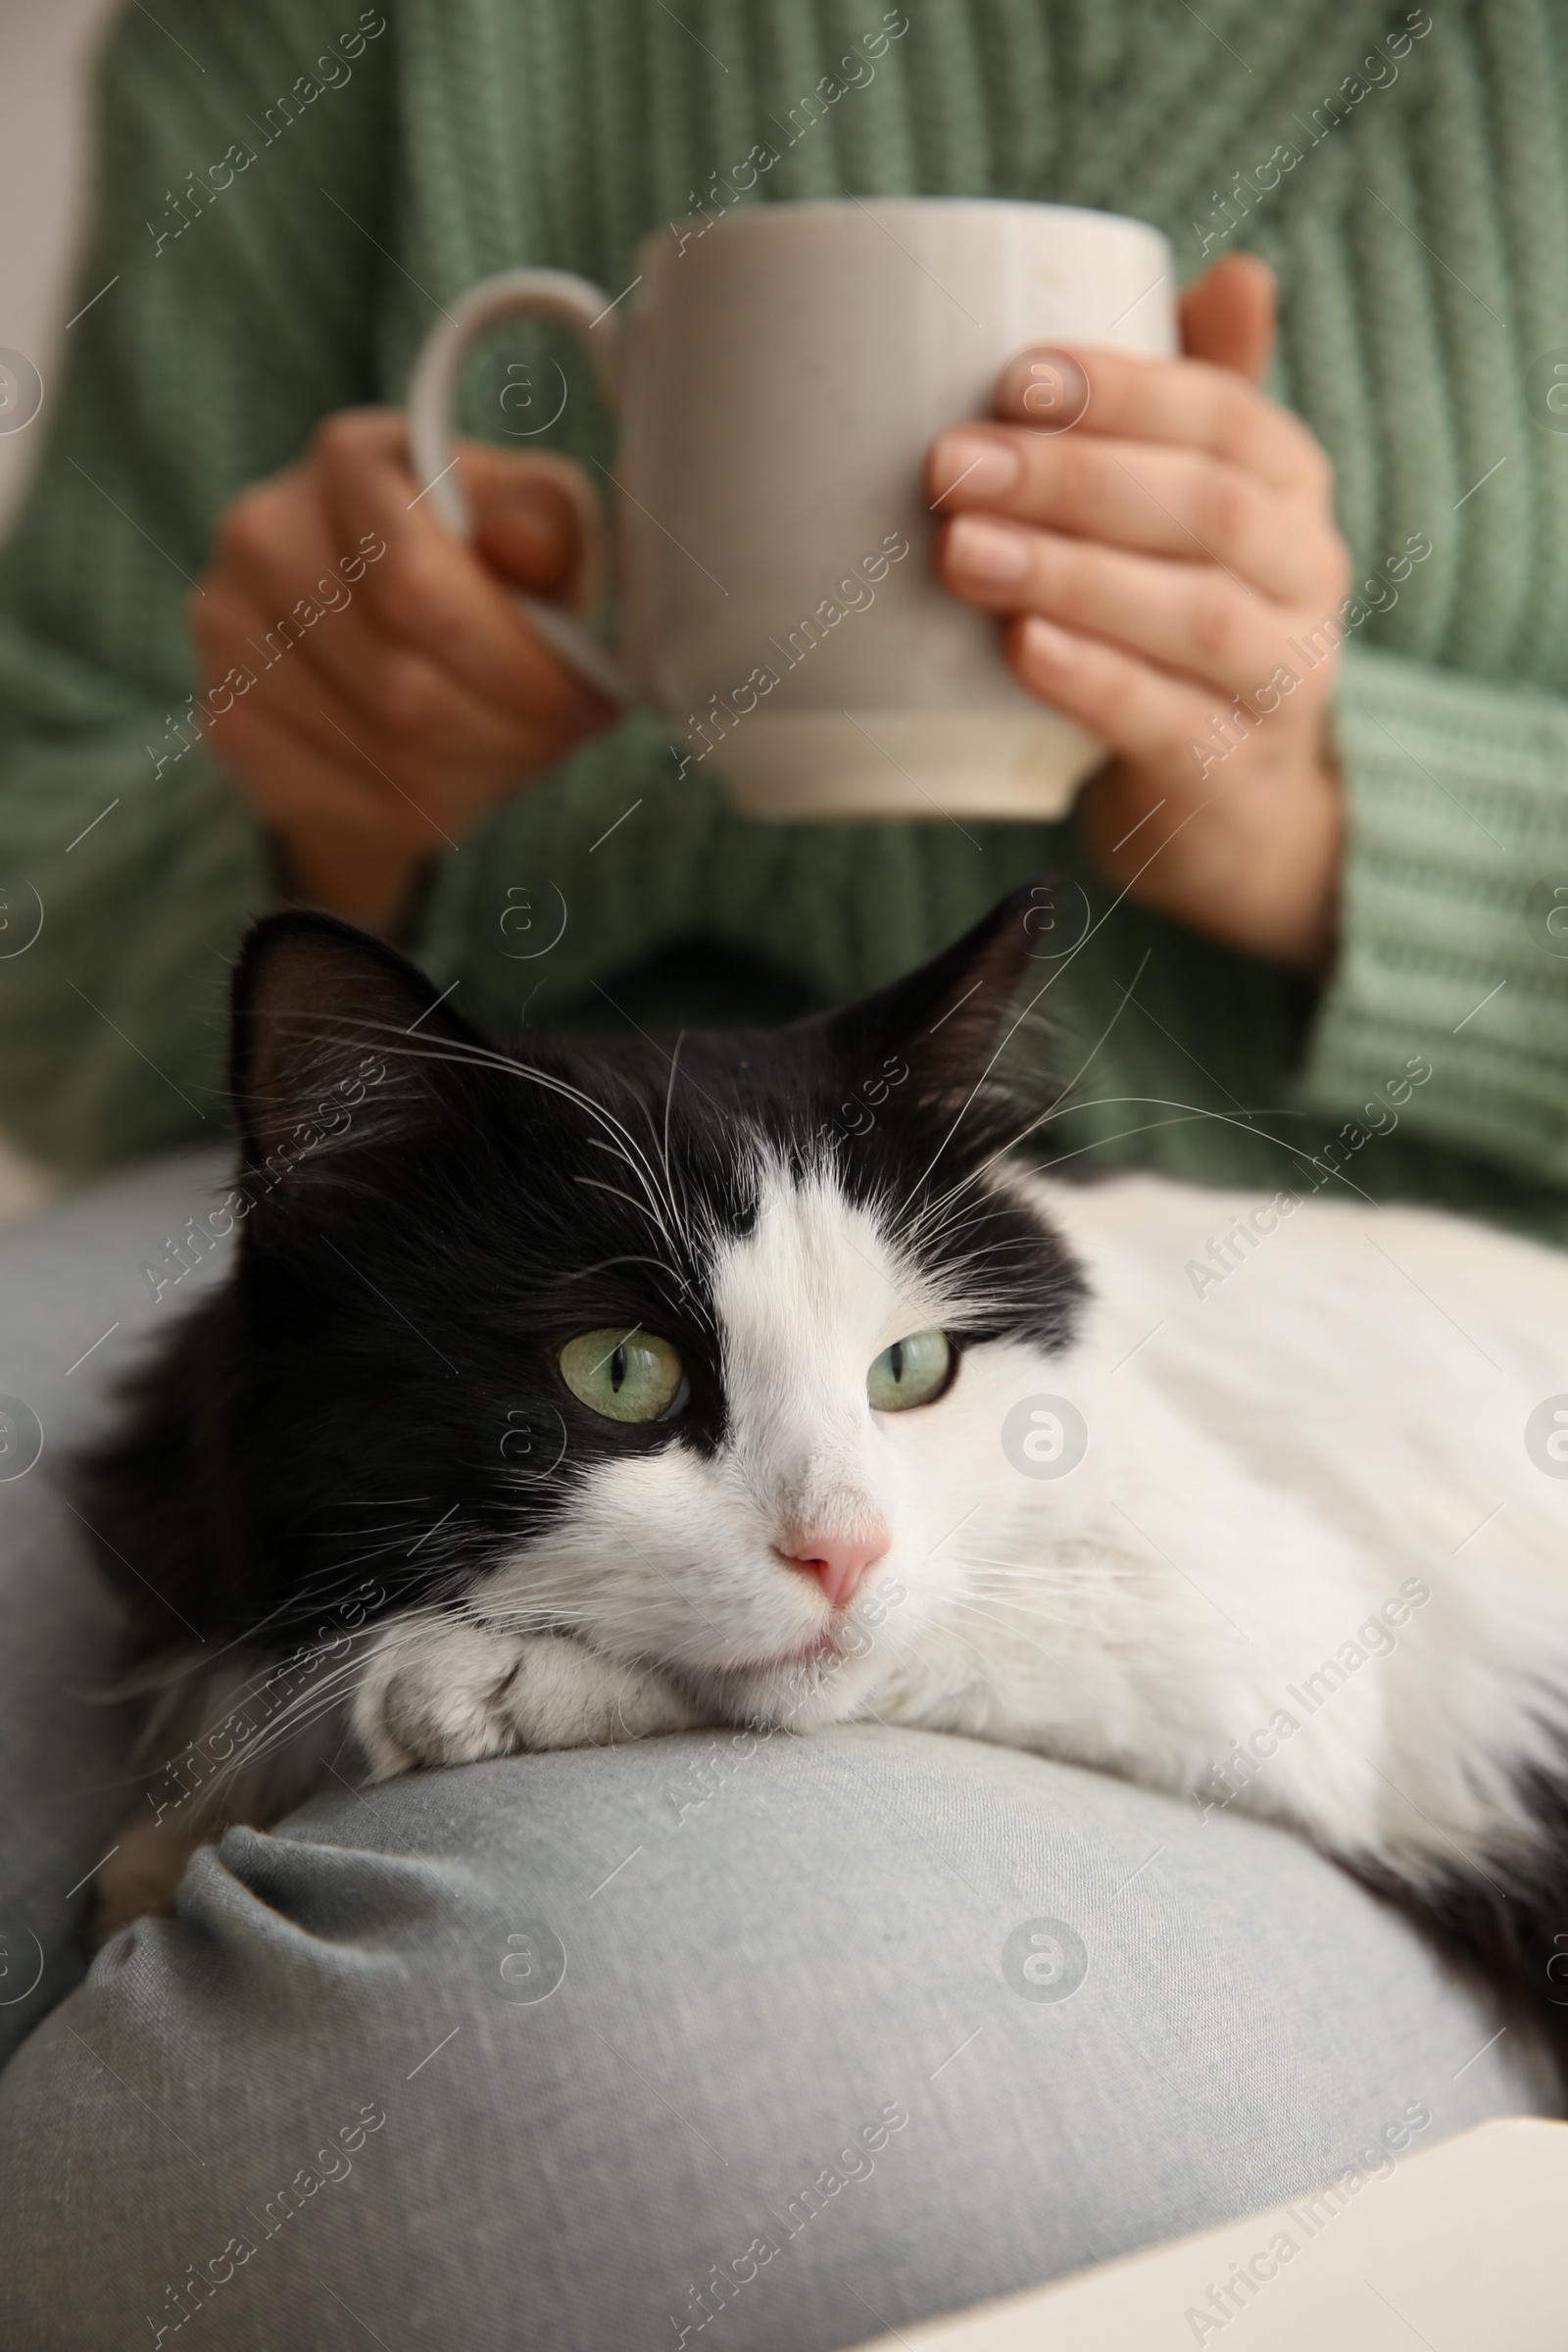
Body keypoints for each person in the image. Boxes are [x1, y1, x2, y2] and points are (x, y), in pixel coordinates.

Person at [0, 2, 1561, 2343]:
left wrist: (1340, 820)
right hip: (424, 1184)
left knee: (480, 2137)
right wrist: (308, 788)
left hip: (1323, 1328)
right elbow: (39, 937)